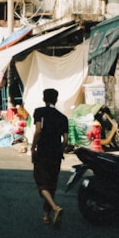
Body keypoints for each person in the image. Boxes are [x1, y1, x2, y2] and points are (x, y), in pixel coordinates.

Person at [31, 88, 68, 226]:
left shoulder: (39, 112)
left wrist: (33, 147)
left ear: (43, 98)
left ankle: (55, 207)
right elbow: (65, 140)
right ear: (56, 99)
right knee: (52, 183)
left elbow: (38, 130)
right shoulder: (63, 117)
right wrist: (60, 150)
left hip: (43, 151)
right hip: (56, 153)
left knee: (40, 180)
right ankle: (46, 215)